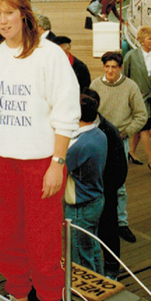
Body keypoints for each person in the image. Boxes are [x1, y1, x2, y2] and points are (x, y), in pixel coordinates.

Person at [0, 0, 80, 301]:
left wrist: (57, 164)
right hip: (1, 162)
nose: (3, 20)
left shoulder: (51, 56)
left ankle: (49, 296)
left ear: (23, 13)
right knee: (7, 239)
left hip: (41, 163)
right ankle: (17, 294)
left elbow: (66, 115)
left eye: (8, 12)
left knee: (44, 240)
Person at [89, 52, 147, 244]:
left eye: (114, 67)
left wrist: (125, 132)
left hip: (119, 140)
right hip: (97, 139)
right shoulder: (96, 85)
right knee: (95, 181)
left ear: (120, 68)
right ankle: (98, 222)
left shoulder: (130, 86)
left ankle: (121, 223)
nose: (110, 71)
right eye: (107, 67)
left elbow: (141, 115)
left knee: (119, 185)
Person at [79, 89, 127, 281]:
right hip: (85, 193)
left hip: (104, 191)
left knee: (108, 230)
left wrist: (105, 189)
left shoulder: (109, 132)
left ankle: (112, 269)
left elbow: (119, 169)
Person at [64, 95, 107, 274]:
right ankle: (101, 281)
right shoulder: (99, 134)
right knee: (92, 248)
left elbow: (59, 167)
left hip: (79, 208)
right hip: (95, 200)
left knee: (80, 257)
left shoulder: (77, 146)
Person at [123, 26, 151, 176]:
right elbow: (125, 77)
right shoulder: (130, 56)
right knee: (145, 128)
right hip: (137, 97)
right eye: (149, 38)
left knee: (139, 128)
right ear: (141, 40)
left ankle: (131, 152)